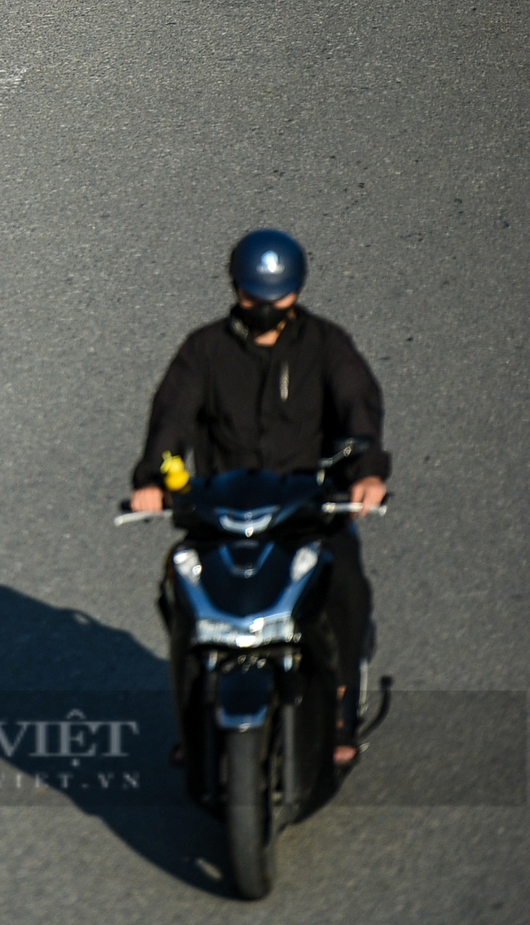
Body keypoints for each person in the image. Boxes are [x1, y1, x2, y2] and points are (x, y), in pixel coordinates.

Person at [129, 229, 389, 766]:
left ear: (296, 291)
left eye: (278, 297)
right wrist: (152, 481)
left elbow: (357, 408)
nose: (266, 308)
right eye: (254, 297)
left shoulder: (327, 345)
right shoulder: (204, 350)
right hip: (223, 513)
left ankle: (339, 706)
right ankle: (192, 714)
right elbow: (171, 418)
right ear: (236, 289)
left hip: (308, 511)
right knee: (181, 593)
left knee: (345, 585)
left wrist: (366, 473)